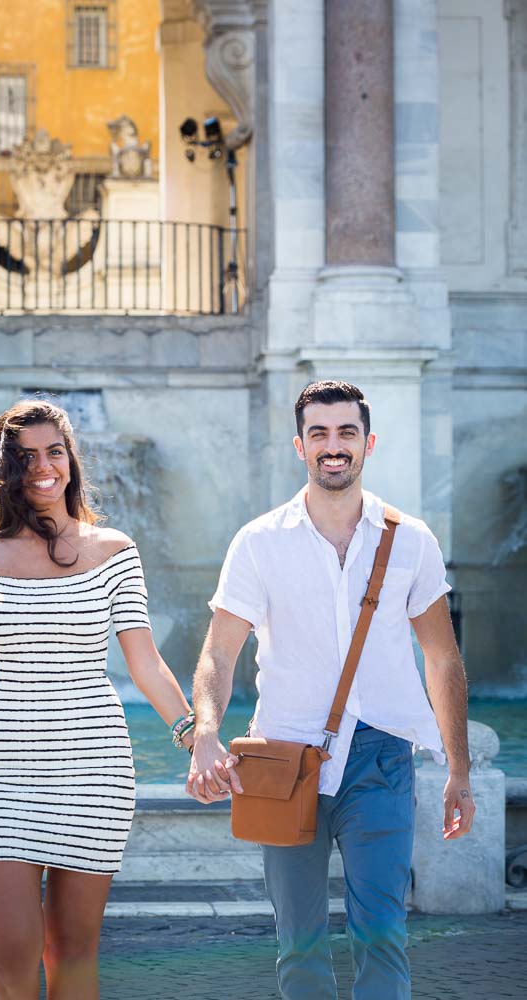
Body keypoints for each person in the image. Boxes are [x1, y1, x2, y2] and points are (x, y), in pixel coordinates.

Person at [187, 380, 475, 1000]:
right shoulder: (258, 542)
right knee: (300, 944)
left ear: (368, 442)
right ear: (300, 446)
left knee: (382, 936)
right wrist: (206, 730)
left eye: (346, 432)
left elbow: (442, 659)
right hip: (283, 760)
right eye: (319, 433)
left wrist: (459, 769)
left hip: (381, 755)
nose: (333, 446)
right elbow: (219, 650)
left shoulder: (411, 539)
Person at [0, 399, 195, 1000]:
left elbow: (145, 662)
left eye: (54, 452)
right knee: (10, 961)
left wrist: (196, 739)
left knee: (71, 956)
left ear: (70, 458)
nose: (43, 467)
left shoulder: (116, 550)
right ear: (3, 471)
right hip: (4, 775)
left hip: (94, 771)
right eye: (24, 457)